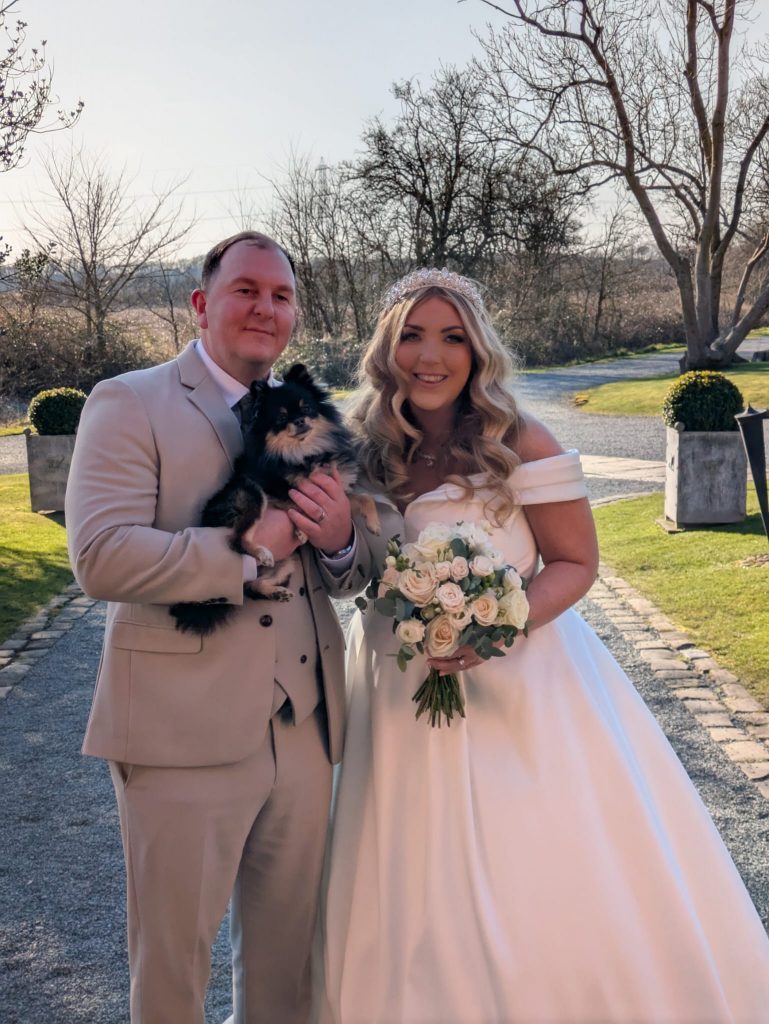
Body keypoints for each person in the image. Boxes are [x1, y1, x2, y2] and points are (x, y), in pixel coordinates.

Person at [313, 268, 769, 1023]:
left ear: (477, 349)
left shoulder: (518, 439)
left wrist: (497, 628)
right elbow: (345, 566)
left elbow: (576, 564)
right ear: (385, 350)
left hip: (523, 685)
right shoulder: (360, 448)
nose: (431, 356)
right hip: (397, 690)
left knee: (535, 864)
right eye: (413, 337)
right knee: (403, 869)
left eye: (451, 337)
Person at [65, 231, 375, 1024]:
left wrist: (340, 536)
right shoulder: (130, 400)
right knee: (172, 975)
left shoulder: (307, 412)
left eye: (280, 295)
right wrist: (242, 553)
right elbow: (99, 555)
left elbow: (361, 560)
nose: (264, 308)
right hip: (178, 737)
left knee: (288, 977)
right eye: (245, 290)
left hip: (303, 733)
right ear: (202, 304)